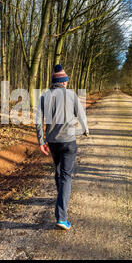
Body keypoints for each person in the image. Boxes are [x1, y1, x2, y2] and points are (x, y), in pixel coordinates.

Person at [35, 64, 89, 230]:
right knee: (66, 176)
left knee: (59, 172)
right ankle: (62, 217)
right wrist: (85, 130)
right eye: (66, 80)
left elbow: (38, 121)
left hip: (52, 142)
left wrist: (41, 141)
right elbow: (81, 115)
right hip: (68, 141)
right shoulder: (71, 95)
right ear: (63, 82)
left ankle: (62, 201)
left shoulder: (44, 96)